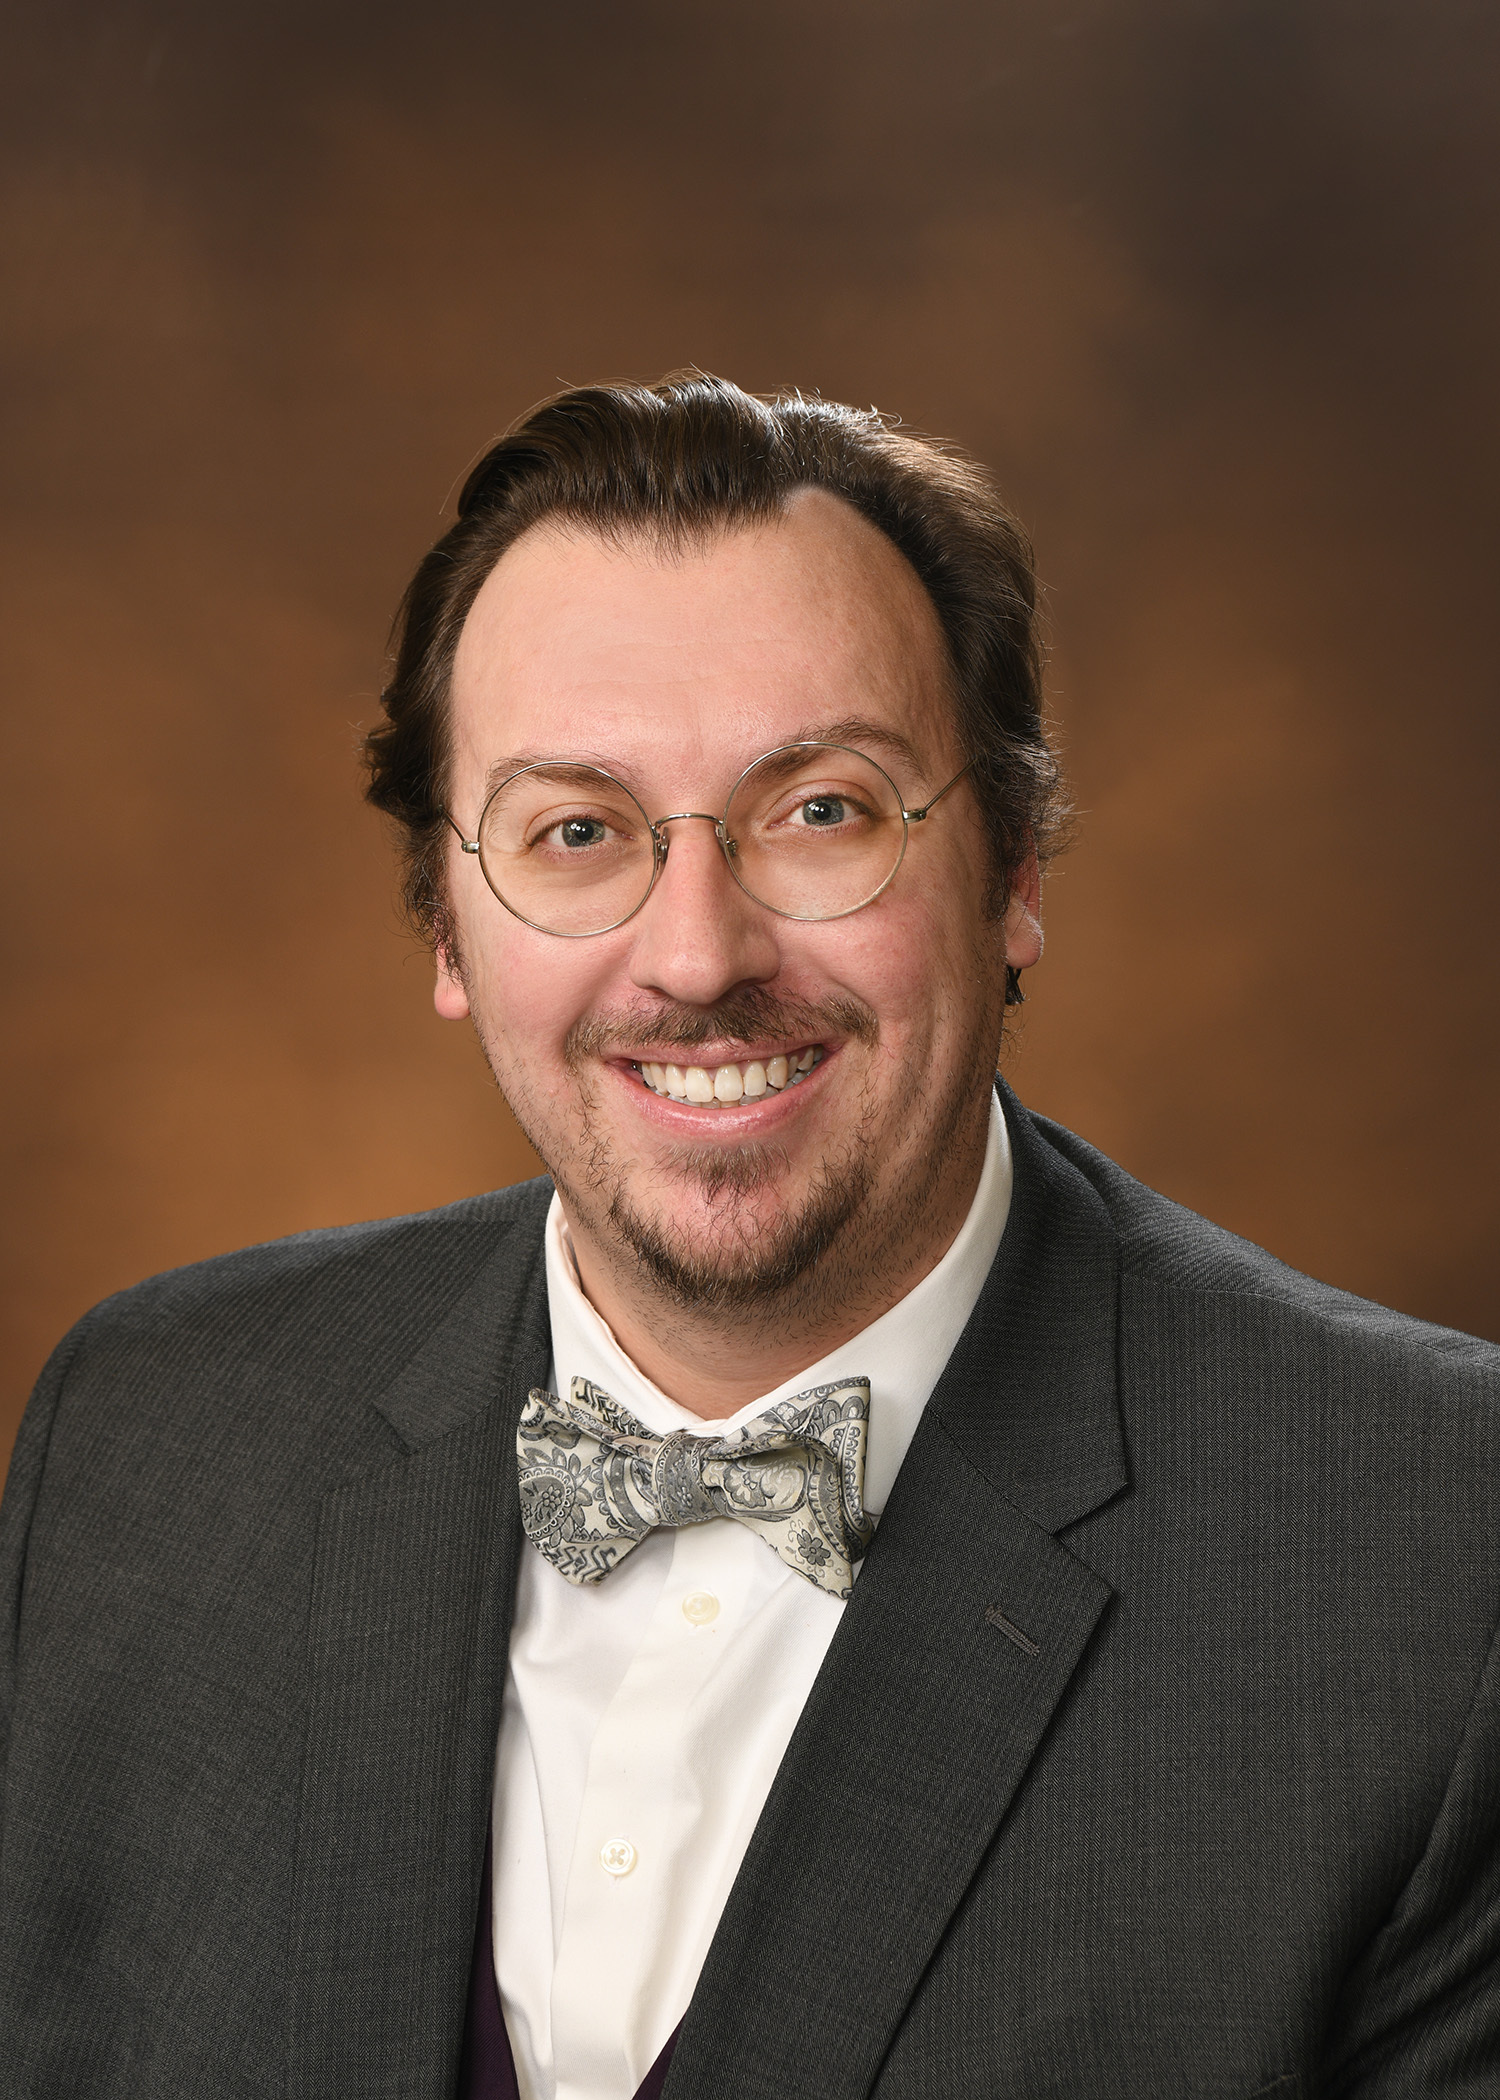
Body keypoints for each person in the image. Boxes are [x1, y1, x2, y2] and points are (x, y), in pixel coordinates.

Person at [2, 373, 1498, 2100]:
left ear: (1014, 870)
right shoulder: (146, 1441)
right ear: (447, 925)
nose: (698, 957)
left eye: (821, 811)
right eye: (577, 831)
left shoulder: (1436, 1558)